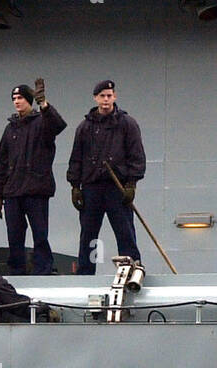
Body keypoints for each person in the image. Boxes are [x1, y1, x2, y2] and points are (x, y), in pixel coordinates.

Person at [67, 79, 146, 275]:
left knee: (125, 231)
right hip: (92, 187)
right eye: (102, 96)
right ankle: (86, 272)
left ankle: (132, 269)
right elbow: (76, 158)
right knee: (89, 234)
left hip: (117, 187)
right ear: (96, 98)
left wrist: (132, 184)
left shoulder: (127, 124)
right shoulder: (84, 127)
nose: (106, 100)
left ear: (115, 97)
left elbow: (136, 155)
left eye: (109, 96)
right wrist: (75, 186)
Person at [0, 79, 67, 275]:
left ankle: (43, 269)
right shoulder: (10, 129)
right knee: (14, 235)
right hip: (13, 191)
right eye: (14, 98)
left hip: (36, 189)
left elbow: (59, 125)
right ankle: (17, 270)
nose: (17, 102)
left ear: (29, 101)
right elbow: (0, 162)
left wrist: (44, 105)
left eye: (21, 98)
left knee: (40, 234)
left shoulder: (42, 122)